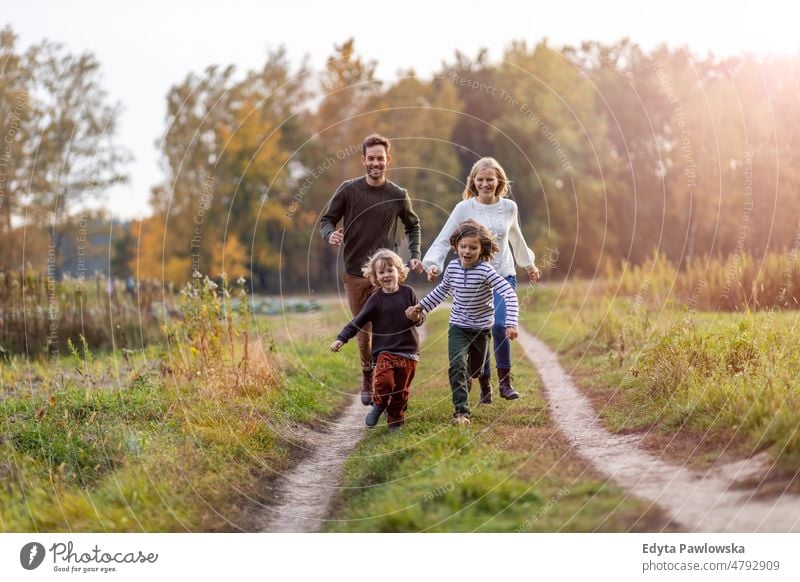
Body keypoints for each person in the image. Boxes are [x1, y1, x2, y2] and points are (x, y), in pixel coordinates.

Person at [422, 157, 539, 403]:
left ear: (499, 181)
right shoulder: (464, 208)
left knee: (499, 325)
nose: (485, 183)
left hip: (503, 273)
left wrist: (528, 264)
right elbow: (446, 238)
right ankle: (485, 383)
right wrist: (434, 264)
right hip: (475, 277)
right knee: (479, 329)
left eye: (490, 179)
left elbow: (516, 238)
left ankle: (505, 382)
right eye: (481, 179)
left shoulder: (509, 207)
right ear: (473, 181)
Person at [320, 134, 424, 405]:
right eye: (371, 158)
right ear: (363, 159)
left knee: (386, 328)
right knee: (363, 331)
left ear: (388, 160)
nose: (375, 162)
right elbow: (326, 219)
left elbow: (413, 225)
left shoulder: (398, 195)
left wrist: (414, 255)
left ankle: (386, 377)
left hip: (384, 274)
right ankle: (368, 373)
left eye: (380, 158)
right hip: (355, 273)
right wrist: (329, 234)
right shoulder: (348, 190)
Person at [407, 219, 518, 426]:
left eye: (473, 247)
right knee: (457, 365)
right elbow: (441, 291)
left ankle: (477, 378)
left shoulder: (486, 271)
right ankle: (461, 412)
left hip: (481, 329)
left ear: (482, 249)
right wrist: (420, 307)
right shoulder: (452, 267)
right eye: (463, 246)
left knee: (474, 370)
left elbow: (509, 294)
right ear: (456, 245)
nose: (467, 251)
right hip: (457, 326)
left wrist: (510, 323)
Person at [330, 249, 424, 432]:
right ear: (375, 277)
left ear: (399, 271)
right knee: (384, 383)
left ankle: (395, 422)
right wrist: (341, 338)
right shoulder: (376, 299)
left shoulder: (408, 293)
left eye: (390, 270)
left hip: (409, 352)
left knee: (400, 392)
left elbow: (421, 318)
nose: (386, 275)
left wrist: (416, 317)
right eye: (381, 272)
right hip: (385, 352)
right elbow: (358, 321)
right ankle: (379, 405)